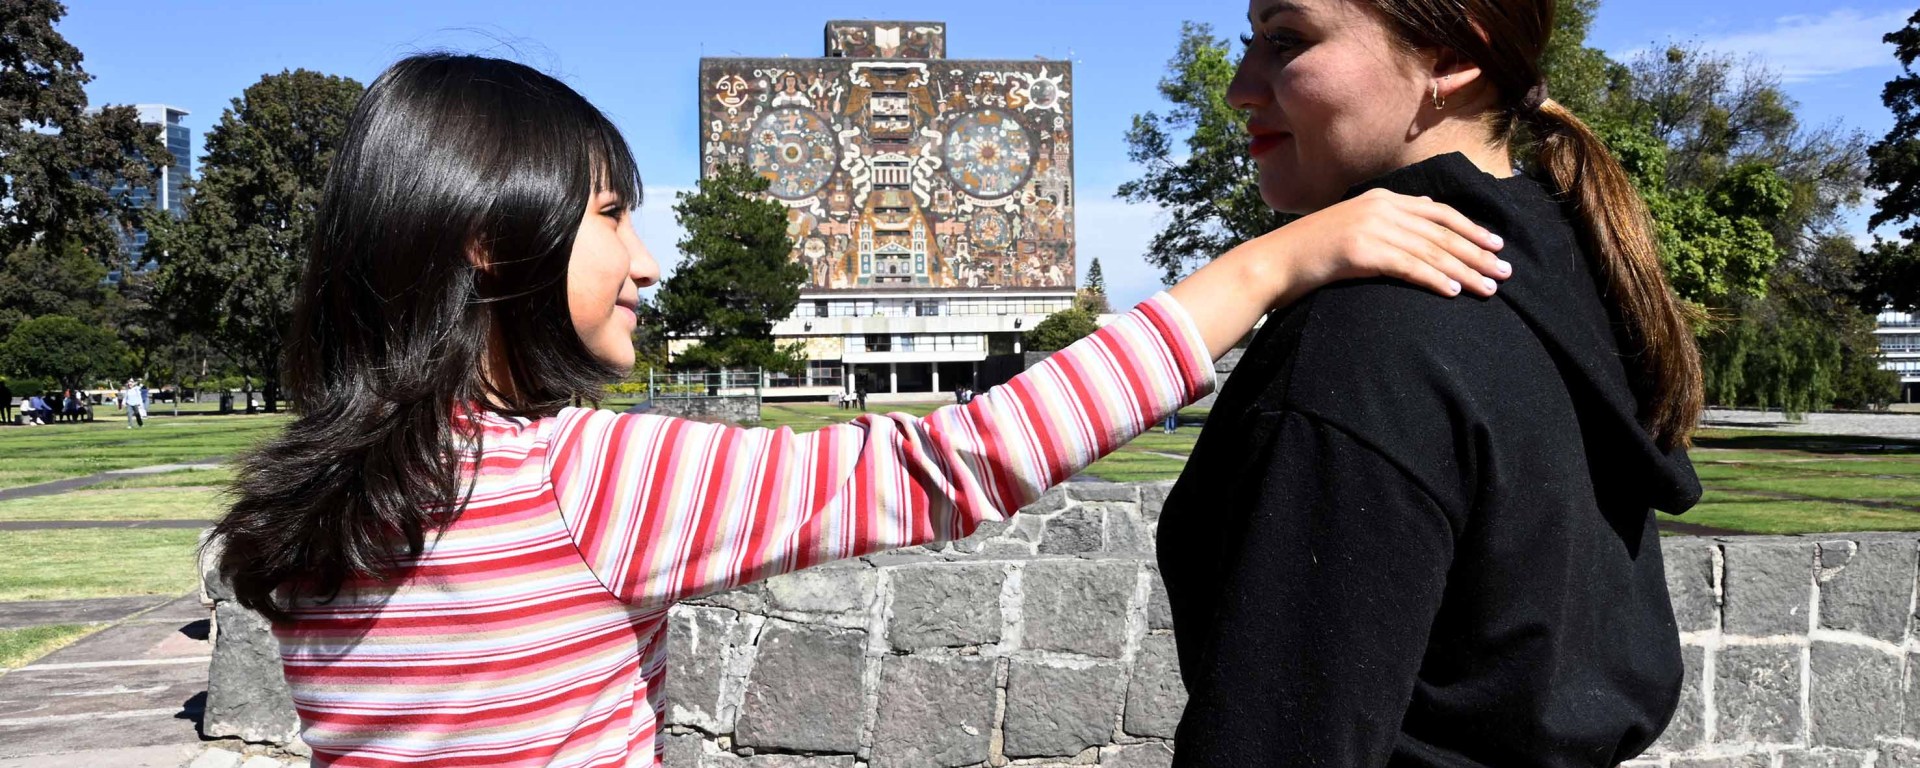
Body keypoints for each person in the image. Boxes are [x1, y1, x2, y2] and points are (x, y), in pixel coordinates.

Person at [207, 54, 1506, 768]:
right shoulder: (578, 481)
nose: (647, 261)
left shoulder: (302, 512)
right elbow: (952, 463)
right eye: (609, 216)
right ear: (492, 242)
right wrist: (1267, 268)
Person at [1156, 1, 1703, 765]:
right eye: (1252, 40)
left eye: (1286, 39)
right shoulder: (1567, 282)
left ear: (1447, 59)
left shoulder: (1364, 346)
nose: (1239, 88)